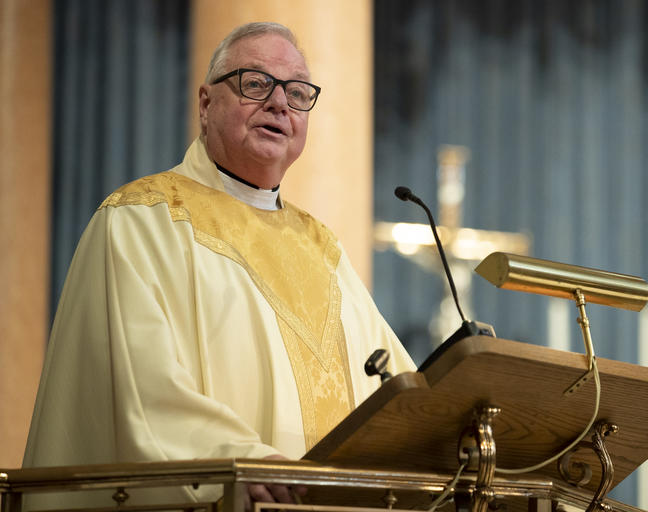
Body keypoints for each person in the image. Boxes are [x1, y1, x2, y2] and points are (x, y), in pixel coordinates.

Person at [23, 22, 415, 508]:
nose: (279, 104)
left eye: (297, 93)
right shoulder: (142, 221)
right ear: (206, 104)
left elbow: (403, 395)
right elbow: (140, 390)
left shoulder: (322, 247)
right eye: (256, 84)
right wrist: (240, 459)